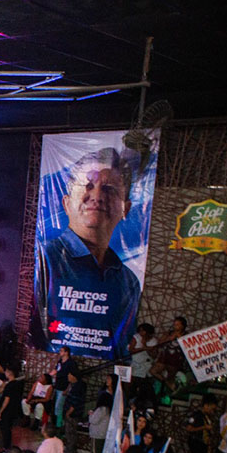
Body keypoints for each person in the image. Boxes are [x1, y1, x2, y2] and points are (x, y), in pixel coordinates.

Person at [33, 147, 141, 356]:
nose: (97, 196)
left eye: (109, 189)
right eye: (87, 185)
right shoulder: (44, 260)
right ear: (66, 203)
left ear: (125, 209)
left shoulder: (129, 281)